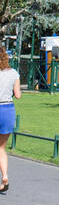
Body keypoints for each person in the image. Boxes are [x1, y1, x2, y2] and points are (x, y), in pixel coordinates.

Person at [0, 48, 21, 194]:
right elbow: (18, 95)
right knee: (1, 148)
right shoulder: (14, 73)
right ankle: (5, 176)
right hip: (7, 110)